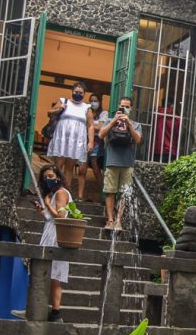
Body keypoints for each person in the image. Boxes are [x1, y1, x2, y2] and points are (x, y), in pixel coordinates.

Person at [97, 96, 142, 232]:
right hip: (112, 161)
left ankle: (118, 220)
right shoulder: (111, 121)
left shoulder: (135, 124)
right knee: (110, 192)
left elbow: (138, 139)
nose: (125, 108)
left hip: (127, 163)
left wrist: (128, 124)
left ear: (131, 108)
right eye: (122, 106)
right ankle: (110, 220)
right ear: (118, 106)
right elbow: (100, 134)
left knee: (123, 194)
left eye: (127, 106)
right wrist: (114, 121)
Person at [44, 82, 94, 201]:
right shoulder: (63, 101)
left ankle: (65, 192)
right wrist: (59, 109)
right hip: (62, 138)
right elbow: (49, 112)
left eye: (81, 93)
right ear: (72, 91)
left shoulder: (86, 108)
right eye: (76, 92)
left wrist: (90, 142)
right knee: (58, 165)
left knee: (69, 167)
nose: (78, 94)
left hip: (76, 141)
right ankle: (52, 190)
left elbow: (90, 126)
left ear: (84, 94)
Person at [36, 164, 72, 322]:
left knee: (54, 275)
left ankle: (56, 312)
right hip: (51, 233)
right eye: (45, 177)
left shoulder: (60, 193)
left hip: (56, 236)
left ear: (58, 176)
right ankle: (43, 308)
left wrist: (48, 204)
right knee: (49, 275)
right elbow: (51, 218)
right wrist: (42, 211)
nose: (47, 179)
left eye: (50, 176)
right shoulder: (55, 193)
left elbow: (61, 217)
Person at [85, 100, 107, 203]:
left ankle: (102, 191)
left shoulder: (103, 113)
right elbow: (94, 127)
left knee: (95, 167)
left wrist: (89, 125)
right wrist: (93, 127)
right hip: (84, 140)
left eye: (95, 100)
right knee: (82, 167)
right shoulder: (86, 111)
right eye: (91, 100)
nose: (93, 102)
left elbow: (100, 127)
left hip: (97, 142)